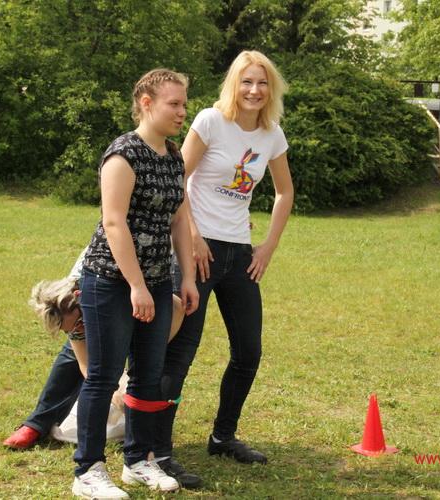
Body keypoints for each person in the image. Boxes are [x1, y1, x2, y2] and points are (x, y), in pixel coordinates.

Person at [155, 50, 294, 472]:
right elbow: (177, 178)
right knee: (180, 351)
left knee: (248, 351)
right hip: (196, 251)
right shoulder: (211, 120)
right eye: (247, 81)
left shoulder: (272, 134)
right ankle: (156, 446)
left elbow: (285, 191)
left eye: (263, 82)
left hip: (239, 254)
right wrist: (194, 235)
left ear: (271, 89)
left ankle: (223, 436)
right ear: (235, 84)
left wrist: (267, 246)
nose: (254, 90)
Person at [72, 68, 198, 500]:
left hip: (159, 281)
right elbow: (114, 222)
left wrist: (188, 277)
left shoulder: (174, 157)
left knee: (147, 375)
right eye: (174, 104)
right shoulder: (123, 154)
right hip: (110, 280)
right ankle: (88, 470)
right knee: (103, 376)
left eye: (184, 104)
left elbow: (180, 220)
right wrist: (136, 287)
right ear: (146, 103)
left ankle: (138, 461)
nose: (182, 112)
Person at [2, 250, 186, 449]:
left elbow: (176, 307)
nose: (79, 330)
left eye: (80, 323)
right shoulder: (72, 309)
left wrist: (148, 351)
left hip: (148, 277)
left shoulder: (107, 288)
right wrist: (115, 390)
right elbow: (87, 365)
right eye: (72, 330)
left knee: (153, 360)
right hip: (110, 293)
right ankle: (37, 423)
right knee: (73, 353)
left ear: (80, 298)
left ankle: (154, 434)